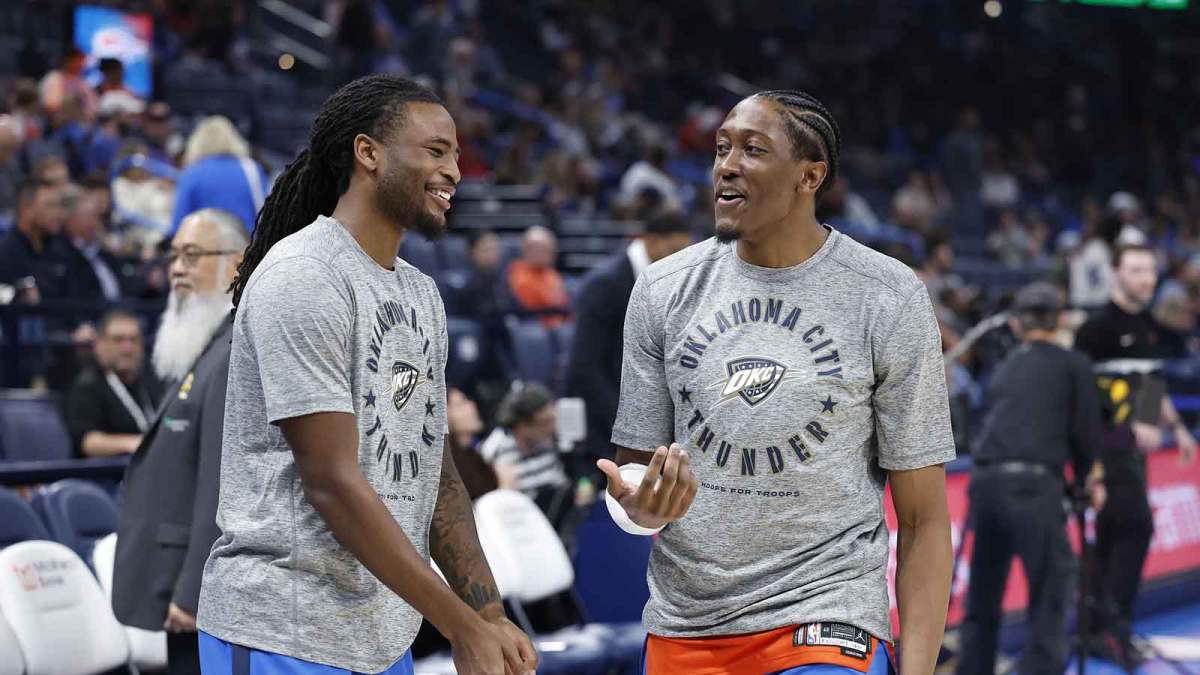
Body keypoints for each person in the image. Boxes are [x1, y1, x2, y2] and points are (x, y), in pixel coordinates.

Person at [600, 90, 955, 675]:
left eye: (753, 150)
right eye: (721, 148)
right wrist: (641, 504)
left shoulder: (885, 294)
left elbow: (922, 518)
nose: (726, 165)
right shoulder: (662, 290)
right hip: (687, 623)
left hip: (826, 613)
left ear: (809, 176)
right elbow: (633, 477)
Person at [196, 75, 536, 675]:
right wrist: (458, 625)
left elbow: (438, 474)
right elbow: (331, 481)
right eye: (435, 151)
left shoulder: (420, 292)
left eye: (456, 153)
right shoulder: (305, 274)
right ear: (368, 152)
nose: (455, 170)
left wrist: (487, 617)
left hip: (379, 636)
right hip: (283, 630)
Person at [111, 209, 247, 675]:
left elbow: (220, 485)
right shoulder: (206, 348)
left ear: (236, 264)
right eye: (173, 257)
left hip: (203, 599)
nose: (176, 269)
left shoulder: (230, 352)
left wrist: (191, 593)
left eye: (192, 256)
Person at [956, 282, 1104, 675]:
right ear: (1058, 322)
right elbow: (1087, 434)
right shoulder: (1073, 364)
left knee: (983, 598)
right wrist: (1089, 479)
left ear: (1018, 325)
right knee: (1051, 593)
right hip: (1033, 487)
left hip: (985, 485)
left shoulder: (1004, 368)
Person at [1073, 244, 1198, 668]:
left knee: (1113, 534)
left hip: (1134, 454)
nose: (1146, 278)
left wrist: (1174, 428)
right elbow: (1081, 396)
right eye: (1136, 270)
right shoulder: (1096, 329)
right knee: (1136, 527)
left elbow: (1150, 383)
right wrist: (1094, 460)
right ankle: (1114, 626)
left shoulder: (1147, 326)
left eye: (1150, 270)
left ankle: (1096, 627)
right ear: (1116, 274)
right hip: (1106, 449)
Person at [566, 211, 692, 480]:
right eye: (676, 250)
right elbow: (584, 366)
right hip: (603, 428)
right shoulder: (606, 285)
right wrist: (628, 422)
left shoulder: (667, 282)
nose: (682, 259)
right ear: (651, 241)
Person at [64, 309, 162, 457]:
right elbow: (89, 442)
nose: (127, 348)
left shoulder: (150, 382)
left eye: (133, 340)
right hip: (104, 474)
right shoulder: (88, 385)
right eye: (118, 340)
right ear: (99, 345)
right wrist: (137, 443)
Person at [478, 383, 570, 515]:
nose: (552, 428)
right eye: (545, 422)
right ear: (522, 424)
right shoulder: (495, 449)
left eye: (553, 420)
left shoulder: (548, 441)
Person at [169, 116, 269, 236]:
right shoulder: (252, 169)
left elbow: (179, 224)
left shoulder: (193, 173)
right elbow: (265, 211)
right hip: (246, 244)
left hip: (207, 245)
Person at [0, 179, 66, 301]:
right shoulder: (5, 254)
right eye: (50, 205)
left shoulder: (61, 249)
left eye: (59, 205)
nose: (58, 213)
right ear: (26, 208)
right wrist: (18, 295)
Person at [507, 225, 569, 328]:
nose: (548, 253)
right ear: (526, 250)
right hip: (535, 328)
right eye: (541, 249)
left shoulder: (551, 274)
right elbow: (534, 306)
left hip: (559, 328)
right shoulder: (519, 273)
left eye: (549, 249)